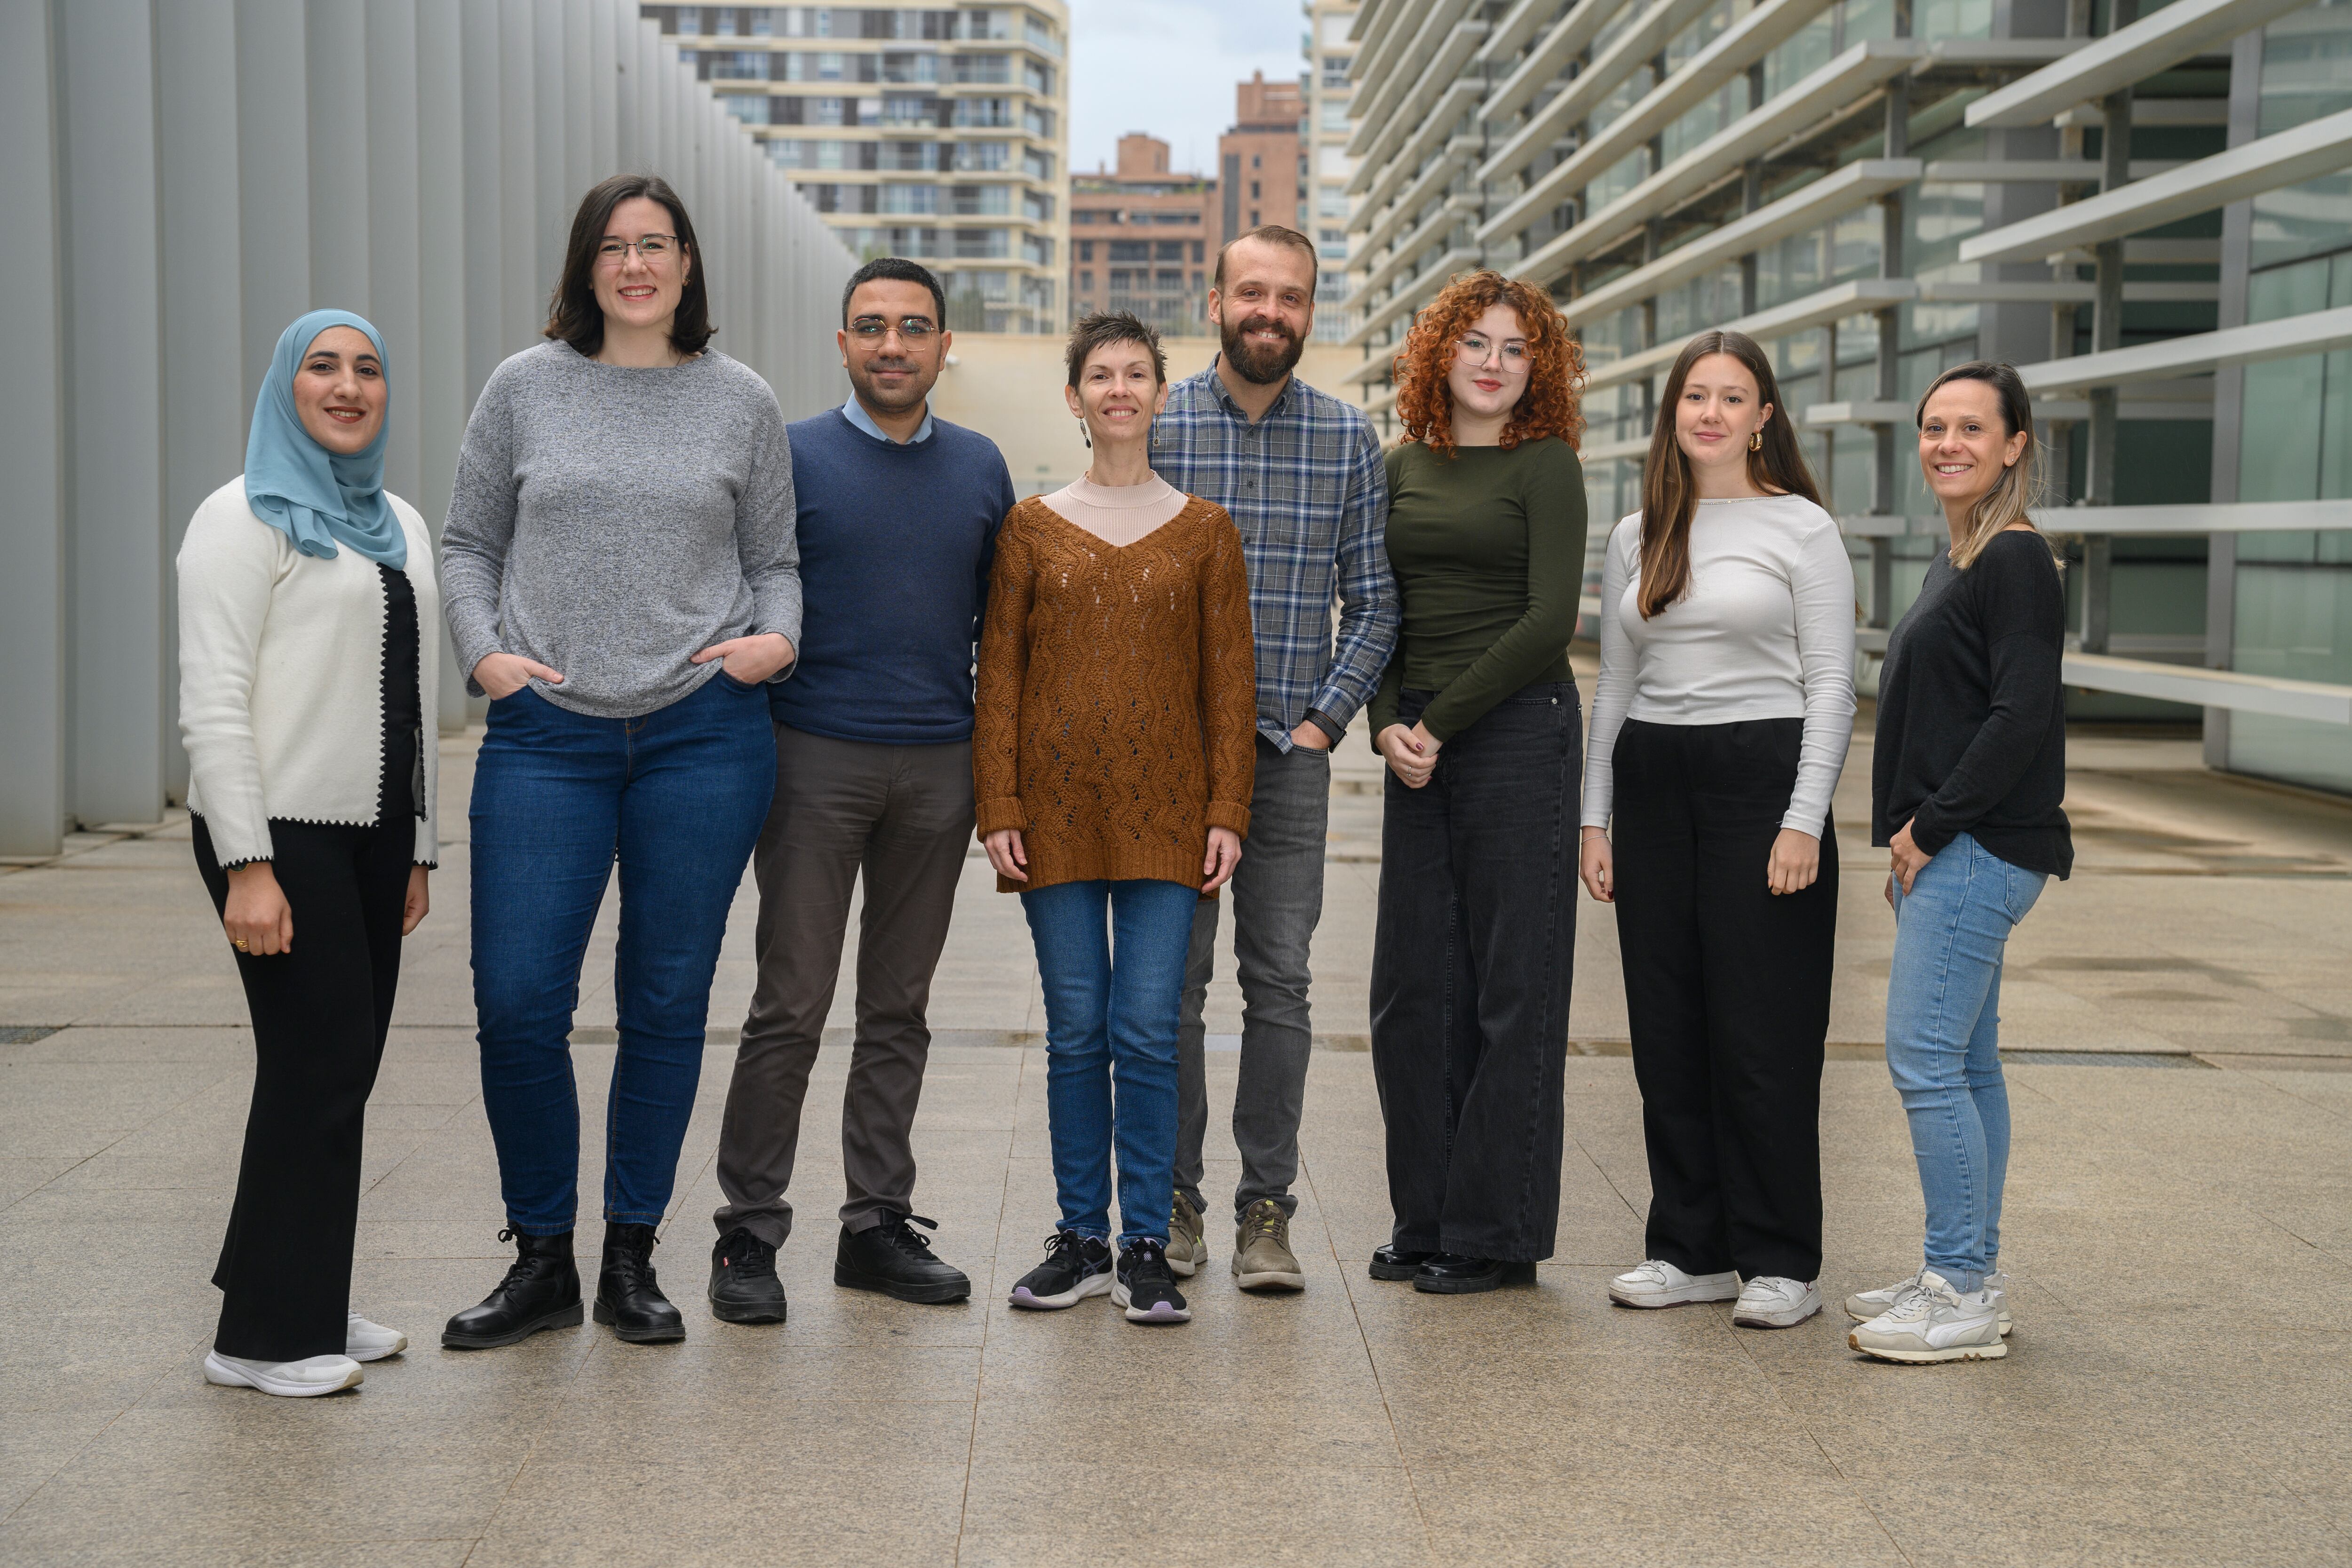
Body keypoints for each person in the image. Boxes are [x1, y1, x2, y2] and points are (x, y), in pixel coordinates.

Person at [439, 173, 798, 1350]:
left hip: (704, 731)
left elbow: (777, 559)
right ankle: (540, 1252)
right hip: (547, 734)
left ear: (688, 265)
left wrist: (774, 643)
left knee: (664, 1000)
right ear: (585, 266)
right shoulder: (523, 386)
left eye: (656, 245)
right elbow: (468, 542)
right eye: (613, 246)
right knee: (518, 1002)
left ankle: (629, 1256)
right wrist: (486, 655)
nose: (635, 264)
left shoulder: (739, 399)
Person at [705, 257, 1015, 1323]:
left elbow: (1000, 631)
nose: (892, 344)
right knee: (790, 1001)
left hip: (939, 766)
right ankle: (748, 1231)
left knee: (899, 1008)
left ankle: (876, 1223)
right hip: (812, 759)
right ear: (841, 343)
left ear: (941, 347)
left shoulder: (981, 467)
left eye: (913, 327)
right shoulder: (788, 456)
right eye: (871, 326)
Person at [179, 309, 440, 1396]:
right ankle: (264, 1339)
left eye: (368, 369)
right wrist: (246, 861)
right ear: (286, 384)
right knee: (317, 1068)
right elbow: (213, 700)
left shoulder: (398, 522)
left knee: (338, 1068)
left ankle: (297, 1289)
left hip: (375, 832)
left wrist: (421, 848)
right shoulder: (240, 515)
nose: (348, 386)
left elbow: (414, 704)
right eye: (323, 367)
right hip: (277, 833)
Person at [979, 312, 1256, 1325]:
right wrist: (997, 804)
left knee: (1145, 1029)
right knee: (1073, 1030)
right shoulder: (1029, 527)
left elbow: (1230, 686)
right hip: (1049, 816)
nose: (1119, 388)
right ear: (1075, 397)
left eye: (1137, 372)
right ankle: (1081, 1236)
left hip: (1168, 819)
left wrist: (1228, 808)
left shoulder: (1205, 529)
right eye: (1101, 373)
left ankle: (1148, 1241)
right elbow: (997, 678)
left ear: (1158, 393)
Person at [1579, 330, 1856, 1330]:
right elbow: (1614, 681)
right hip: (1654, 781)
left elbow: (1832, 684)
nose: (1709, 412)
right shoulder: (1636, 531)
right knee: (1668, 1026)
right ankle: (1687, 1246)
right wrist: (1594, 814)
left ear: (1762, 417)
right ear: (1674, 413)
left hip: (1762, 778)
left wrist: (1803, 817)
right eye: (1694, 395)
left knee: (1764, 1029)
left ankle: (1780, 1256)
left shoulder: (1802, 530)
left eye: (1731, 397)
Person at [1151, 224, 1398, 1292]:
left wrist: (1322, 719)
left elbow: (1376, 603)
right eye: (1252, 292)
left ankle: (1265, 1207)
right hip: (1171, 760)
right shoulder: (1155, 426)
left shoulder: (1348, 441)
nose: (1270, 312)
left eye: (1290, 297)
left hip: (1288, 756)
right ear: (1216, 301)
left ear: (1310, 312)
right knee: (1171, 988)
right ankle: (1171, 1198)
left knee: (1280, 983)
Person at [1366, 271, 1589, 1294]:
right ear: (1438, 356)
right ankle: (1426, 1215)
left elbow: (1548, 620)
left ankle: (1493, 1232)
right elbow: (1380, 608)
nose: (1494, 363)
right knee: (1413, 991)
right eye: (1476, 344)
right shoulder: (1402, 465)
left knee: (1512, 991)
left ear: (1535, 368)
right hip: (1419, 742)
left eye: (1514, 347)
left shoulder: (1546, 468)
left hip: (1515, 737)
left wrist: (1435, 721)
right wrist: (1385, 727)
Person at [1848, 362, 2071, 1364]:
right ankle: (1966, 1270)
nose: (1947, 443)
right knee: (1968, 1064)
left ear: (2014, 443)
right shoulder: (1962, 555)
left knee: (1924, 1062)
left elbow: (2021, 714)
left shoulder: (2014, 558)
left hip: (1973, 848)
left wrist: (1928, 828)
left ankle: (1959, 1289)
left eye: (1971, 428)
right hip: (1955, 846)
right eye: (1934, 425)